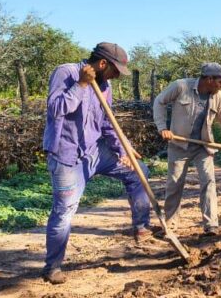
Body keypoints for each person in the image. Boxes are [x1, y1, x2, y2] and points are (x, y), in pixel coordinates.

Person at [41, 42, 151, 285]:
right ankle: (52, 267)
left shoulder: (105, 85)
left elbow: (107, 123)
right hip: (67, 155)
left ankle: (142, 227)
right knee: (64, 211)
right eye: (115, 71)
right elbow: (56, 109)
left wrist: (122, 149)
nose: (116, 77)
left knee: (138, 171)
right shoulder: (66, 73)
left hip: (95, 151)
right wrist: (81, 85)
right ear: (103, 64)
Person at [153, 63, 221, 237]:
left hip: (203, 146)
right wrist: (162, 128)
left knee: (209, 182)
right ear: (209, 79)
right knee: (174, 184)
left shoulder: (218, 97)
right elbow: (159, 102)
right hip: (178, 144)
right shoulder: (181, 86)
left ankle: (211, 224)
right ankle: (170, 223)